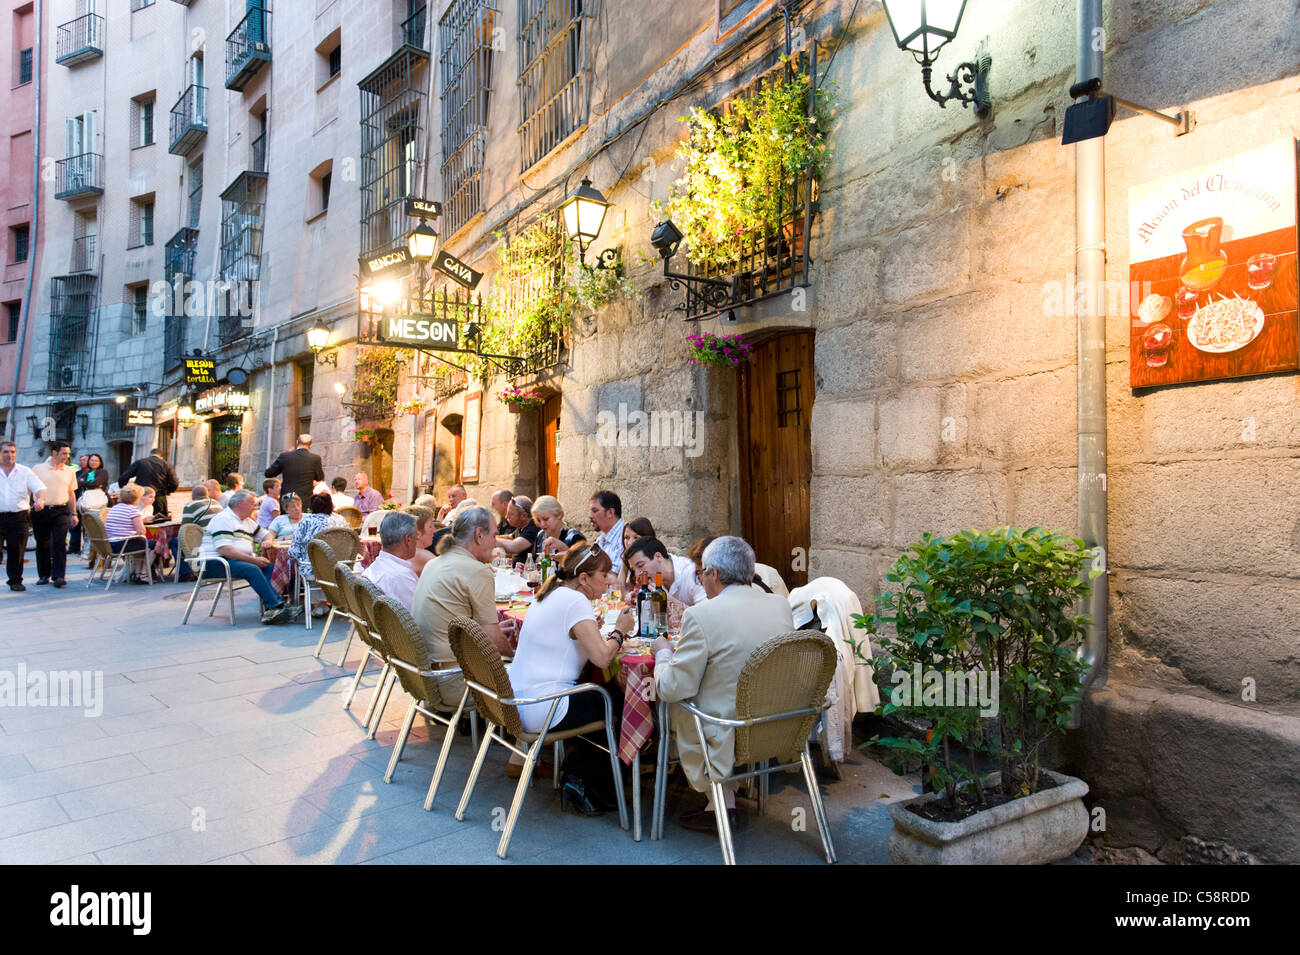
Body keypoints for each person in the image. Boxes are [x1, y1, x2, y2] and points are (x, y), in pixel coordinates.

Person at [652, 537, 795, 832]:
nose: (701, 579)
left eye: (702, 572)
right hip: (779, 724)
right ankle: (723, 798)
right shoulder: (780, 606)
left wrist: (663, 653)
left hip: (728, 728)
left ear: (714, 574)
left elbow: (671, 688)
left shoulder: (702, 615)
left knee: (667, 706)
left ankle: (717, 797)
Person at [509, 542, 636, 814]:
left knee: (599, 693)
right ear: (584, 579)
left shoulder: (552, 593)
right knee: (615, 699)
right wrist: (621, 631)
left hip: (519, 700)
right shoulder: (575, 600)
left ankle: (578, 775)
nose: (607, 581)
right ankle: (592, 784)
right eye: (603, 575)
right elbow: (602, 658)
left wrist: (590, 629)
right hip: (544, 706)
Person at [411, 506, 518, 710]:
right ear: (479, 535)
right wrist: (519, 654)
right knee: (539, 676)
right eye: (494, 535)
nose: (495, 542)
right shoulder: (477, 571)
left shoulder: (434, 563)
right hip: (455, 683)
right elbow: (495, 642)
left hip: (426, 677)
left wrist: (484, 633)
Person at [199, 488, 298, 625]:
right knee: (251, 568)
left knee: (270, 567)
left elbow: (265, 534)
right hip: (214, 563)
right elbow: (225, 549)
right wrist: (253, 560)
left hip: (233, 561)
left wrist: (268, 540)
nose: (255, 507)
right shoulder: (224, 519)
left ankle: (273, 607)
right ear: (240, 503)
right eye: (252, 504)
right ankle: (276, 606)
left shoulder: (247, 521)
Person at [287, 493, 349, 614]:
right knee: (321, 562)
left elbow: (294, 551)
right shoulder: (340, 520)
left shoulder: (307, 521)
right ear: (331, 505)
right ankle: (333, 603)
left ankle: (319, 604)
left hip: (315, 571)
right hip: (340, 569)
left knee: (311, 563)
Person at [31, 440, 79, 588]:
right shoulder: (38, 469)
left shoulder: (70, 471)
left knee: (59, 542)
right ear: (54, 453)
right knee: (42, 543)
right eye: (64, 453)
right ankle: (44, 575)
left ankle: (59, 576)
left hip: (61, 510)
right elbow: (31, 489)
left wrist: (74, 513)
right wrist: (31, 504)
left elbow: (71, 493)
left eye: (68, 453)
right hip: (41, 510)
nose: (67, 456)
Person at [0, 440, 46, 591]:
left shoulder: (24, 471)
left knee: (17, 550)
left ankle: (15, 581)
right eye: (6, 452)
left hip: (18, 516)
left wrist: (40, 499)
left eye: (12, 452)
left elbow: (39, 488)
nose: (9, 455)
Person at [624, 536, 707, 607]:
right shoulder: (652, 579)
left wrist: (670, 601)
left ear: (658, 557)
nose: (637, 574)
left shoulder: (692, 573)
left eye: (640, 565)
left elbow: (704, 615)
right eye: (634, 569)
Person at [361, 511, 421, 611]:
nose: (417, 542)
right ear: (408, 539)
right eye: (416, 538)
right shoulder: (400, 576)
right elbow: (419, 614)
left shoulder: (376, 566)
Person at [103, 484, 152, 584]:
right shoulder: (132, 510)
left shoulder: (114, 508)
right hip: (122, 544)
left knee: (140, 544)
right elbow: (141, 531)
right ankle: (144, 574)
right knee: (154, 545)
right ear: (137, 498)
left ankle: (138, 574)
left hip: (110, 544)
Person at [119, 448, 179, 521]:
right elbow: (175, 483)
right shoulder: (166, 465)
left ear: (150, 455)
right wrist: (167, 491)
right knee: (160, 522)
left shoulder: (140, 462)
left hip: (141, 497)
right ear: (161, 457)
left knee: (137, 518)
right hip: (159, 498)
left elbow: (123, 478)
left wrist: (125, 489)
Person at [265, 433, 325, 503]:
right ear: (311, 445)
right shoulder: (315, 458)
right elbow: (319, 477)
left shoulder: (285, 456)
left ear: (297, 442)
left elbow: (269, 473)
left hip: (288, 497)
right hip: (305, 499)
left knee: (287, 513)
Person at [69, 452, 106, 556]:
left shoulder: (102, 472)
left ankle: (95, 553)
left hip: (97, 503)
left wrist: (83, 482)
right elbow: (77, 484)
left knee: (93, 528)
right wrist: (89, 484)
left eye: (96, 460)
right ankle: (85, 551)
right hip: (85, 503)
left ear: (100, 462)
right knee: (83, 528)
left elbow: (95, 483)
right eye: (92, 460)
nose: (93, 462)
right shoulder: (85, 473)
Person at [588, 491, 626, 575]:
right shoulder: (601, 539)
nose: (590, 516)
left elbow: (613, 576)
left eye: (595, 511)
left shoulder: (625, 537)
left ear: (610, 513)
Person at [620, 516, 656, 590]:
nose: (629, 543)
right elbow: (621, 593)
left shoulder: (653, 563)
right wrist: (624, 565)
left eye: (636, 538)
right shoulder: (633, 566)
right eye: (626, 538)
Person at [403, 505, 437, 575]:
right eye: (430, 526)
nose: (435, 530)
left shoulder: (400, 552)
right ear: (418, 533)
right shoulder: (424, 557)